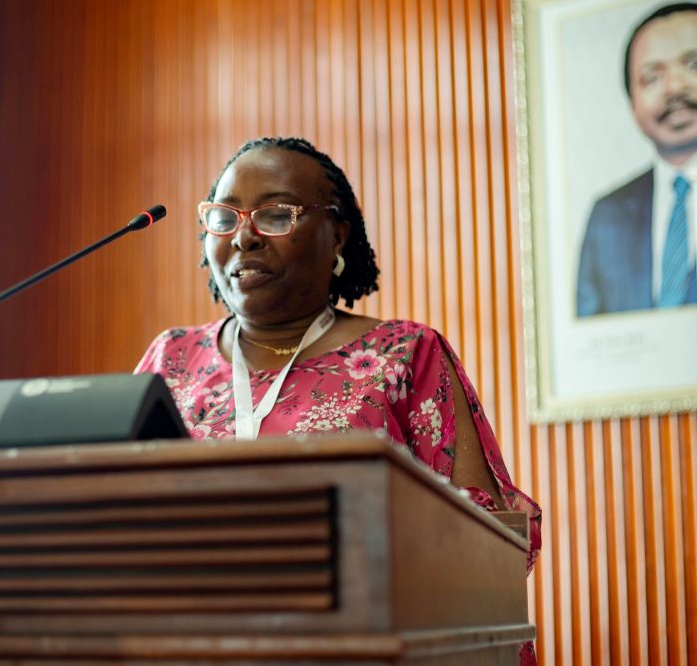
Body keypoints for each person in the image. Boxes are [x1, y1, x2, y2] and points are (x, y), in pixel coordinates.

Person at [135, 138, 541, 652]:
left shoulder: (404, 354)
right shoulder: (170, 359)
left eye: (276, 215)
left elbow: (483, 538)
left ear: (337, 236)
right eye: (225, 217)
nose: (244, 238)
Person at [576, 2, 697, 317]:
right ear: (632, 102)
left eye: (694, 65)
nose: (675, 88)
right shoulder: (606, 216)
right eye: (652, 78)